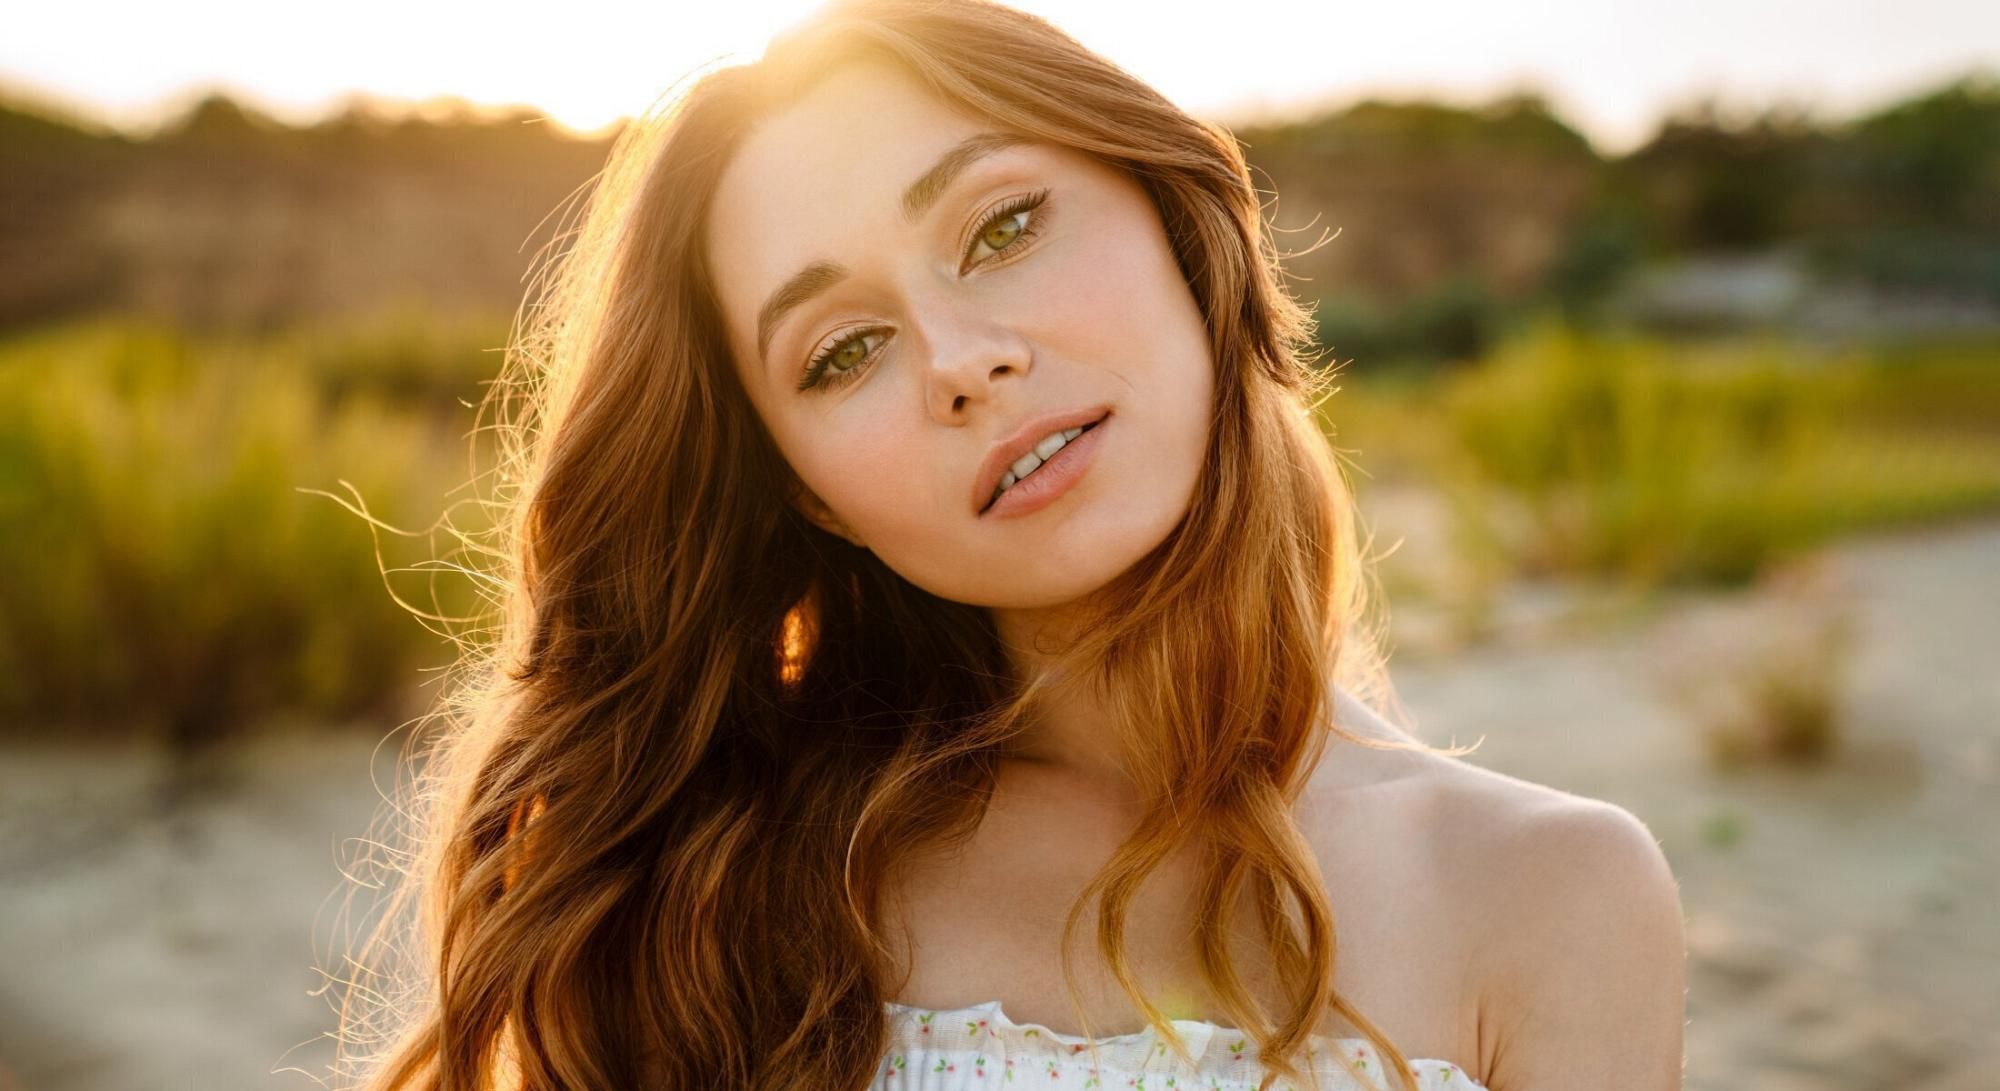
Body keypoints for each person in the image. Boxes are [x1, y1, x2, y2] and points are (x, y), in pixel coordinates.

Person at [332, 1, 1687, 1089]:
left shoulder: (1556, 897)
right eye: (842, 350)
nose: (964, 363)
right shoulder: (723, 879)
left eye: (1002, 226)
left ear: (1173, 217)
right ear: (804, 491)